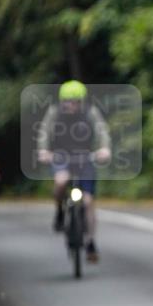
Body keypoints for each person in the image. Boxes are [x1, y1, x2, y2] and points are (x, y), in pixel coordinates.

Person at [35, 81, 111, 262]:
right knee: (61, 181)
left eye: (75, 101)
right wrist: (43, 151)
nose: (71, 105)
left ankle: (91, 242)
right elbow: (44, 132)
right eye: (67, 101)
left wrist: (104, 149)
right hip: (61, 156)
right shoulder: (55, 113)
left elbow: (102, 131)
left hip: (85, 158)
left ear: (81, 101)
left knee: (88, 201)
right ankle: (60, 211)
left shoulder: (90, 113)